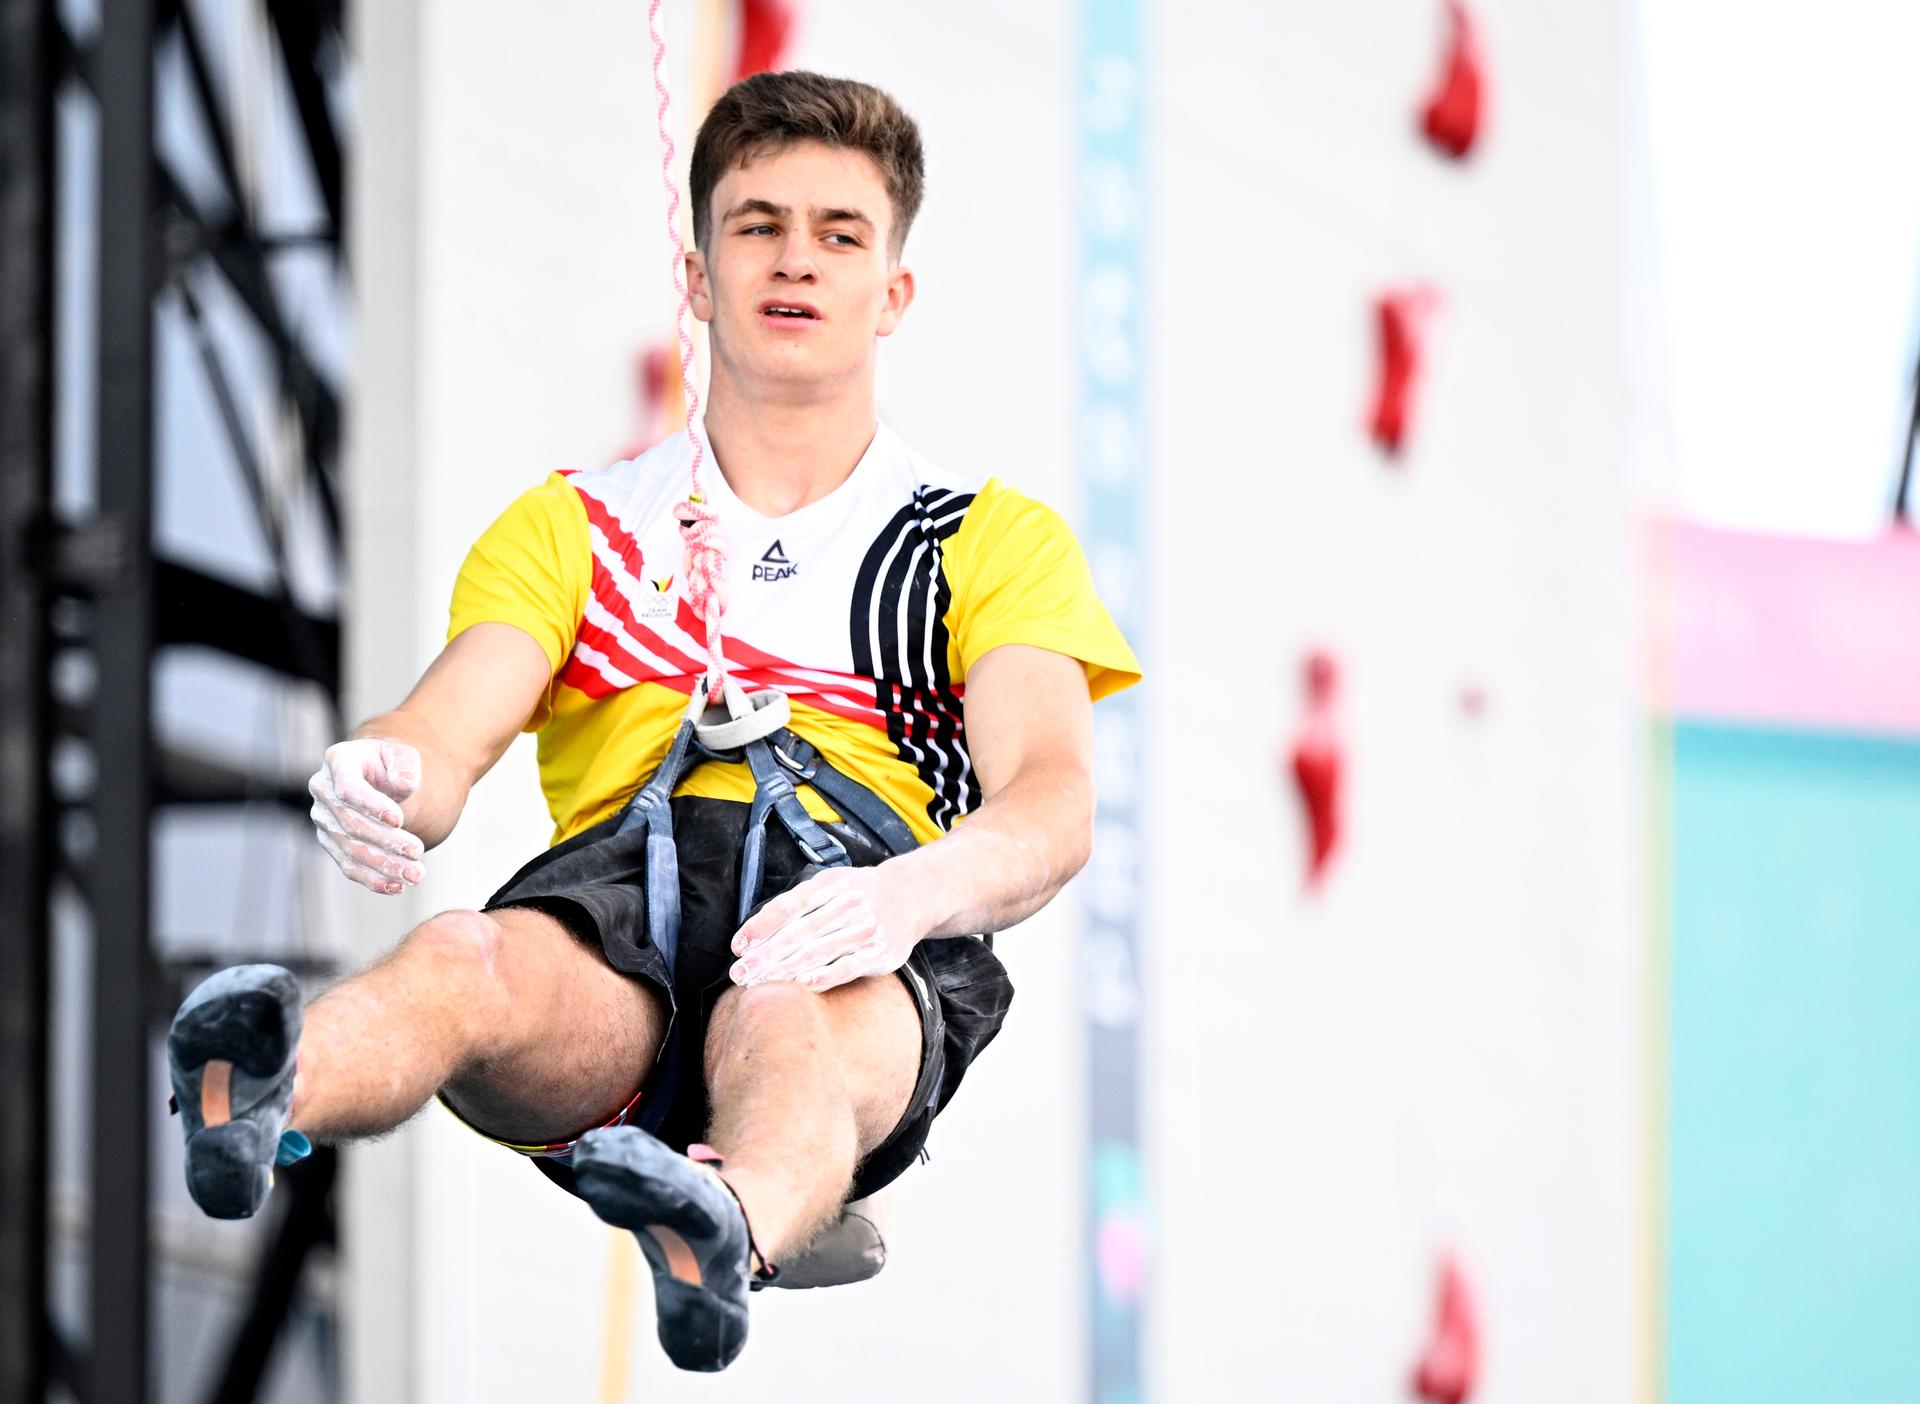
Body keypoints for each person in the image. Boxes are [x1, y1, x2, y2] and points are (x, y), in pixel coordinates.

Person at [166, 69, 1139, 1373]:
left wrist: (911, 896)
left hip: (859, 930)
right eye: (758, 225)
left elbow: (1052, 798)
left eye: (840, 234)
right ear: (698, 276)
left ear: (893, 293)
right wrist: (383, 772)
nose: (795, 261)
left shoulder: (985, 540)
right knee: (464, 957)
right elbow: (448, 733)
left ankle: (725, 1225)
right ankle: (261, 1084)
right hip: (622, 927)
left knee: (780, 1020)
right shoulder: (577, 526)